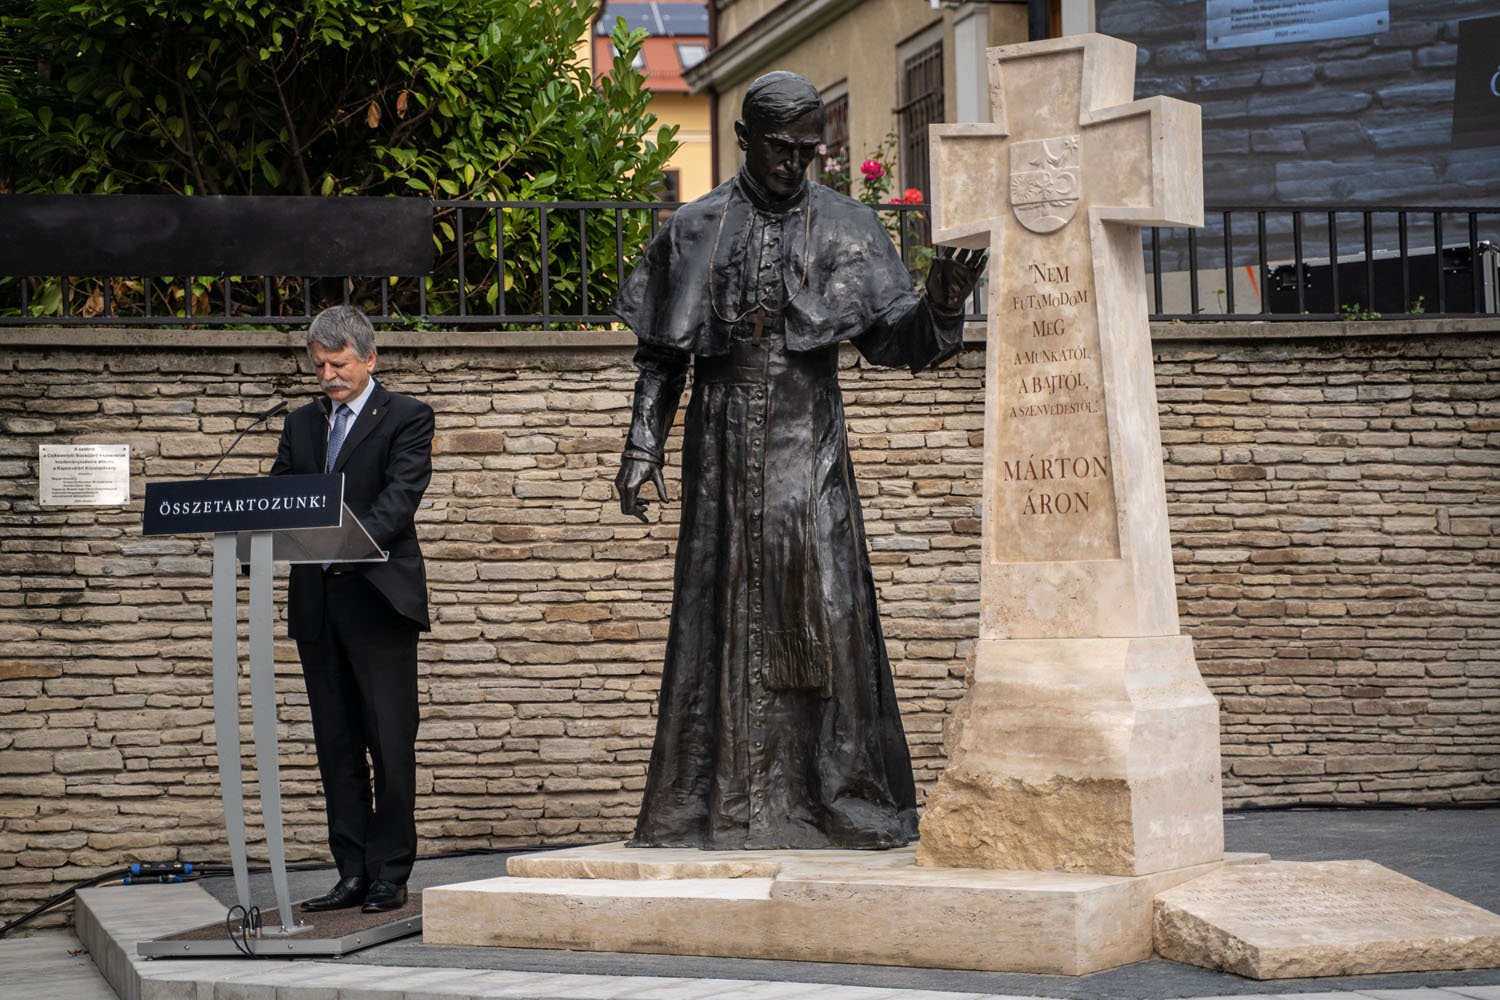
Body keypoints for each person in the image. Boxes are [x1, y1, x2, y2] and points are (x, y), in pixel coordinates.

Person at [613, 71, 984, 851]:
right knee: (719, 611)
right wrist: (643, 445)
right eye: (780, 148)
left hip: (807, 435)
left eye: (808, 151)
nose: (794, 164)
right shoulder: (694, 226)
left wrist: (943, 304)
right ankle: (713, 805)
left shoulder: (849, 226)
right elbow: (662, 357)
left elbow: (894, 340)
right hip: (720, 441)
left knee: (829, 609)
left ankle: (834, 799)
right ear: (744, 139)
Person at [271, 305, 434, 912]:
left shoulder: (407, 416)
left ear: (369, 358)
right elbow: (278, 495)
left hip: (377, 599)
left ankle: (390, 871)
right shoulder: (301, 423)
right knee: (336, 745)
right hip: (316, 604)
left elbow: (400, 499)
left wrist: (345, 543)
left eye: (338, 364)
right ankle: (352, 873)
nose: (328, 376)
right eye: (319, 366)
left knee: (389, 743)